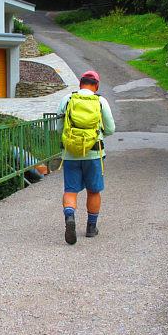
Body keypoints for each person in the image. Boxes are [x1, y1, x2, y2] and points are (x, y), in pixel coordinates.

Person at [57, 70, 115, 244]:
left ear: (80, 84)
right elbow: (111, 129)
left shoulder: (68, 99)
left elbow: (60, 128)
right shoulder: (100, 101)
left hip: (70, 153)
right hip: (94, 153)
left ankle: (70, 217)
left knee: (70, 190)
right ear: (96, 85)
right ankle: (91, 227)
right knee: (94, 190)